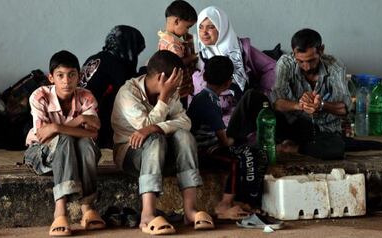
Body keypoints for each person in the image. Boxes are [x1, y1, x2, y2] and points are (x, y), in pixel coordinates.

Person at [111, 50, 214, 235]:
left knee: (184, 136)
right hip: (130, 154)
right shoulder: (128, 92)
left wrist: (155, 128)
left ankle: (190, 210)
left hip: (163, 155)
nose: (178, 86)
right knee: (155, 140)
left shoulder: (170, 92)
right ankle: (147, 214)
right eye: (175, 82)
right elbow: (142, 125)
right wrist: (164, 98)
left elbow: (185, 122)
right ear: (161, 78)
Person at [24, 50, 105, 236]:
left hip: (74, 153)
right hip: (40, 153)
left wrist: (58, 127)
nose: (66, 81)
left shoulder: (86, 97)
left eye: (72, 75)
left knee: (85, 144)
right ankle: (60, 212)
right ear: (51, 78)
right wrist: (79, 123)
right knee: (68, 139)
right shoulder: (39, 96)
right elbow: (44, 136)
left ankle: (88, 209)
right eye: (60, 76)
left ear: (79, 76)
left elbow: (93, 133)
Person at [187, 56, 270, 221]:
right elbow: (224, 141)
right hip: (203, 150)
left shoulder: (207, 96)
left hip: (211, 145)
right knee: (239, 157)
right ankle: (225, 204)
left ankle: (247, 201)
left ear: (203, 76)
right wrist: (238, 140)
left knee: (255, 153)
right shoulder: (209, 101)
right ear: (228, 82)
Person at [271, 28, 352, 160]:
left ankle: (293, 148)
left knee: (337, 148)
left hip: (321, 130)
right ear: (293, 53)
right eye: (300, 61)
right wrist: (301, 105)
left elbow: (345, 108)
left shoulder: (335, 66)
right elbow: (277, 103)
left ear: (321, 50)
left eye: (311, 60)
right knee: (256, 101)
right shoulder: (285, 63)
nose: (306, 66)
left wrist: (321, 105)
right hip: (293, 124)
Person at [192, 5, 276, 126]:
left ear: (222, 28)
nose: (204, 32)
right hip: (211, 114)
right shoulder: (195, 54)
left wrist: (263, 92)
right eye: (200, 27)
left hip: (242, 109)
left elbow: (271, 66)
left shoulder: (240, 49)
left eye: (211, 27)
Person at [80, 25, 145, 148]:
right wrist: (145, 71)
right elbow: (129, 88)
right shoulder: (114, 64)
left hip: (81, 115)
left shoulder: (95, 57)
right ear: (128, 46)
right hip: (95, 120)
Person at [158, 0, 198, 107]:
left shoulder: (165, 38)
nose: (187, 31)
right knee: (182, 110)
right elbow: (179, 62)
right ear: (177, 21)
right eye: (187, 27)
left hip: (175, 89)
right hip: (179, 89)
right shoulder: (173, 44)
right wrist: (194, 57)